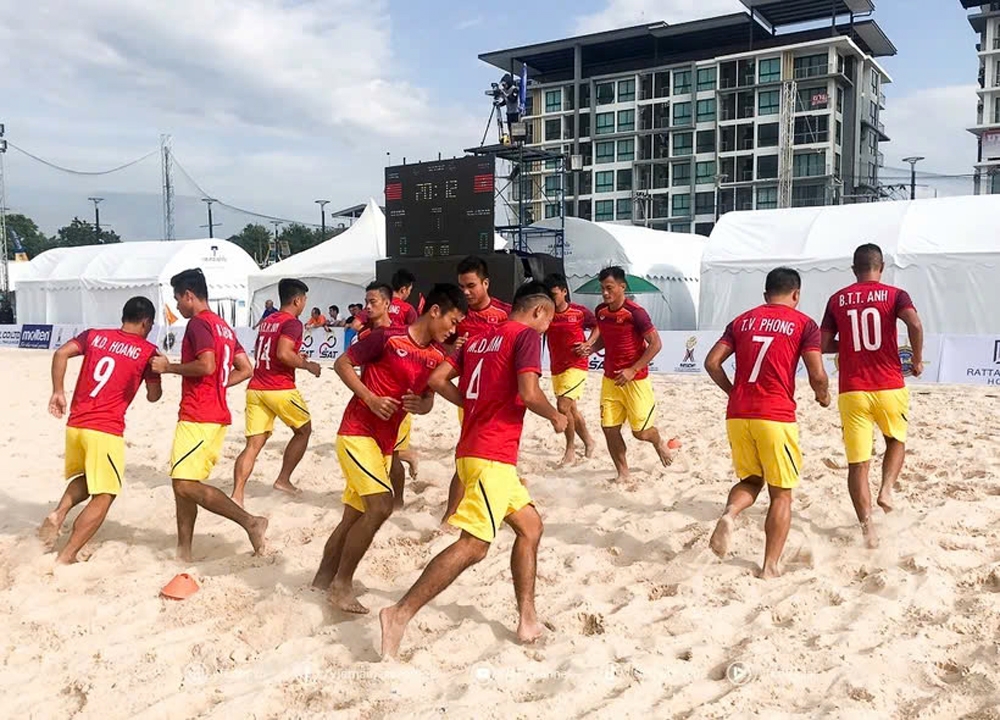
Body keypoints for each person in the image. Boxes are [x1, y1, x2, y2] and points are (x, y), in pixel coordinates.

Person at [379, 282, 568, 658]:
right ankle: (399, 613)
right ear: (539, 313)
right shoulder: (525, 336)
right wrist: (556, 417)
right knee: (474, 546)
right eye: (546, 325)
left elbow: (436, 380)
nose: (544, 333)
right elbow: (529, 392)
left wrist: (469, 401)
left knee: (531, 528)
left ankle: (527, 618)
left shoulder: (480, 337)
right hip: (491, 455)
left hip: (475, 451)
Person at [312, 283, 467, 614]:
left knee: (353, 516)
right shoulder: (387, 337)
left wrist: (419, 405)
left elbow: (427, 402)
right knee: (381, 507)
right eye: (452, 321)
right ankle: (341, 586)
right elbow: (341, 364)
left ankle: (321, 580)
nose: (453, 330)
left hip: (383, 444)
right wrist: (369, 397)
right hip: (356, 432)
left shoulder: (437, 356)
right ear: (435, 311)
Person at [704, 268, 830, 578]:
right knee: (781, 493)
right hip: (774, 414)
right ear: (796, 295)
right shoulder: (804, 324)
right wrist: (823, 396)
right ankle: (770, 566)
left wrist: (734, 391)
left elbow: (711, 362)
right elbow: (816, 373)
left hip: (738, 413)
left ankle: (731, 514)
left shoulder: (742, 320)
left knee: (751, 479)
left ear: (765, 295)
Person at [151, 268, 268, 562]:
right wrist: (219, 384)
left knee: (184, 484)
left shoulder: (199, 325)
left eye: (178, 299)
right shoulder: (223, 327)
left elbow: (205, 365)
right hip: (213, 412)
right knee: (183, 484)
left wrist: (169, 368)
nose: (177, 306)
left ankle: (250, 522)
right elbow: (246, 368)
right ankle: (184, 550)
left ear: (190, 296)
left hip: (198, 414)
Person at [38, 297, 162, 564]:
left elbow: (60, 353)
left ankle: (59, 513)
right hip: (105, 429)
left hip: (76, 424)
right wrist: (157, 374)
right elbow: (154, 396)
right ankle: (67, 555)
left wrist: (58, 391)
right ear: (146, 322)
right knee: (105, 494)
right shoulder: (147, 351)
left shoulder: (95, 336)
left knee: (89, 476)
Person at [820, 243, 924, 548]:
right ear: (881, 267)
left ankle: (868, 530)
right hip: (889, 384)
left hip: (853, 390)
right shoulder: (895, 294)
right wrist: (917, 359)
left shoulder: (837, 299)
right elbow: (915, 324)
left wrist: (849, 344)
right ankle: (887, 490)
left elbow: (825, 344)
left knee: (858, 464)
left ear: (854, 270)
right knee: (896, 440)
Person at [576, 266, 674, 482]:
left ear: (622, 287)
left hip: (636, 380)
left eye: (609, 288)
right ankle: (623, 473)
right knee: (609, 428)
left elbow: (656, 343)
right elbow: (606, 339)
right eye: (602, 288)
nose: (604, 293)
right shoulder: (601, 311)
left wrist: (633, 369)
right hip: (610, 378)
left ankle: (658, 442)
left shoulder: (636, 313)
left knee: (641, 433)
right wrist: (591, 348)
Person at [232, 279, 322, 508]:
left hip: (256, 388)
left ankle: (237, 494)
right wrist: (307, 365)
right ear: (297, 300)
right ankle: (283, 479)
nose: (304, 306)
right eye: (304, 301)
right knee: (304, 431)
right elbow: (283, 353)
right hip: (279, 387)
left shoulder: (268, 320)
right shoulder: (292, 323)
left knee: (252, 446)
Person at [440, 255, 512, 528]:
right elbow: (440, 346)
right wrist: (451, 348)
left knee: (491, 453)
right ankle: (450, 514)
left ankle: (502, 502)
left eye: (471, 285)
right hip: (470, 397)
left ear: (486, 283)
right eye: (461, 287)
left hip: (501, 398)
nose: (466, 292)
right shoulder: (457, 315)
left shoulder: (506, 314)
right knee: (467, 453)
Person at [543, 273, 598, 466]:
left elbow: (597, 326)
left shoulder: (579, 312)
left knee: (563, 406)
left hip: (577, 365)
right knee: (572, 409)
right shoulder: (546, 315)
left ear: (564, 292)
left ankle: (570, 449)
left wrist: (589, 344)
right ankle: (589, 442)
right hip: (556, 368)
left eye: (554, 294)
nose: (551, 299)